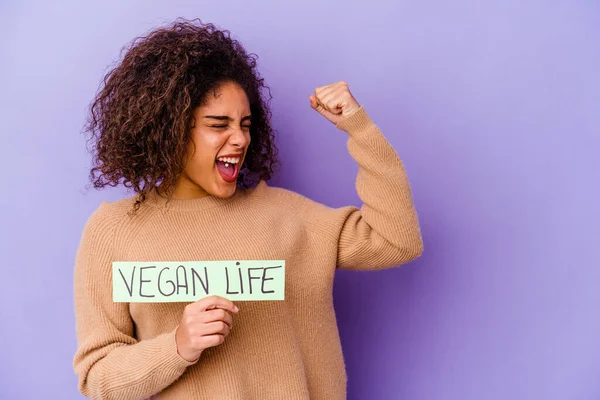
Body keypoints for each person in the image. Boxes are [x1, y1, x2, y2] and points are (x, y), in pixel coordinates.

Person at [73, 17, 423, 400]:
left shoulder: (289, 217)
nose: (239, 138)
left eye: (245, 123)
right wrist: (177, 346)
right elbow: (98, 377)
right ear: (169, 128)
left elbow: (397, 241)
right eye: (218, 124)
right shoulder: (114, 230)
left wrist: (359, 128)